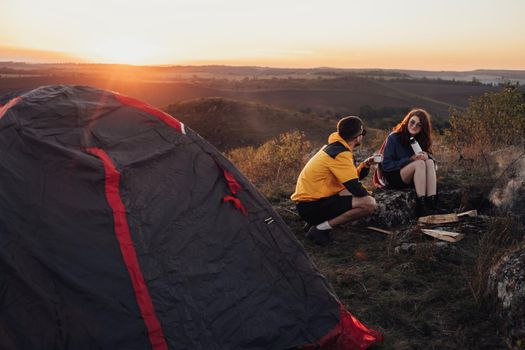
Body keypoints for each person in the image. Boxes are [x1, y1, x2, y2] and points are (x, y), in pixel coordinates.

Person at [291, 116, 377, 246]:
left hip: (307, 204)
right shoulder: (340, 154)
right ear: (358, 137)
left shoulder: (334, 147)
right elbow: (355, 187)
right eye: (363, 133)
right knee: (369, 203)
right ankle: (320, 229)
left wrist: (365, 164)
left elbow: (351, 178)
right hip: (311, 208)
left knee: (350, 192)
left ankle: (314, 223)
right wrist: (369, 196)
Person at [380, 108, 437, 216]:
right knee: (419, 163)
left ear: (422, 128)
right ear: (407, 121)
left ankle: (432, 203)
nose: (414, 126)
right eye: (412, 122)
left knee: (429, 162)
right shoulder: (394, 138)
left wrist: (427, 156)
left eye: (419, 125)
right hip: (394, 175)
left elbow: (431, 161)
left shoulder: (421, 139)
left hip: (414, 175)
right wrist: (410, 159)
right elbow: (387, 165)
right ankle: (422, 206)